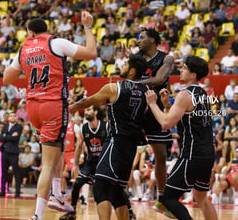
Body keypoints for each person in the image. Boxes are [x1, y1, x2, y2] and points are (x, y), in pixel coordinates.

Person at [3, 11, 97, 220]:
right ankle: (38, 214)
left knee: (57, 147)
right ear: (46, 30)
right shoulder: (56, 43)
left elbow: (6, 78)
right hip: (53, 104)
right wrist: (88, 27)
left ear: (30, 32)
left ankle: (57, 194)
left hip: (32, 107)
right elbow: (91, 53)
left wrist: (26, 67)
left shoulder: (24, 49)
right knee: (48, 161)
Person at [69, 54, 149, 220]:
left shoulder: (114, 88)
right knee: (117, 191)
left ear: (132, 71)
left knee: (101, 187)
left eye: (126, 64)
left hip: (116, 141)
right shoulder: (147, 92)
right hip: (132, 146)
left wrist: (70, 107)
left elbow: (88, 101)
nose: (122, 65)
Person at [145, 55, 217, 220]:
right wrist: (167, 105)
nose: (181, 70)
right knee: (201, 199)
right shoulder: (203, 93)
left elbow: (166, 123)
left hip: (192, 154)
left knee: (167, 198)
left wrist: (152, 104)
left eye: (184, 68)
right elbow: (187, 117)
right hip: (207, 155)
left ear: (193, 75)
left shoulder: (185, 94)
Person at [136, 27, 175, 213]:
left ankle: (162, 199)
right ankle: (119, 193)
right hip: (135, 110)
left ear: (152, 40)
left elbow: (159, 79)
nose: (138, 40)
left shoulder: (167, 58)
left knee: (161, 156)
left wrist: (134, 83)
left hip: (155, 110)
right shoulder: (136, 58)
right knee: (126, 153)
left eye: (141, 37)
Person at [60, 105, 108, 220]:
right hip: (91, 162)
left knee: (107, 189)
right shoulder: (83, 128)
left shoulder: (106, 126)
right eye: (85, 110)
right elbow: (79, 146)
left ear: (95, 112)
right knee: (77, 184)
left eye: (88, 109)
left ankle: (129, 212)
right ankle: (72, 212)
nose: (85, 112)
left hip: (104, 162)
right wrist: (75, 165)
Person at [0, 112, 23, 198]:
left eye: (14, 116)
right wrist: (9, 136)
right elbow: (0, 138)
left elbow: (15, 138)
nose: (12, 117)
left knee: (16, 173)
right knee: (4, 172)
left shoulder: (19, 127)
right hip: (4, 151)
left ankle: (17, 192)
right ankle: (3, 191)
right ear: (8, 118)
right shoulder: (5, 126)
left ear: (16, 118)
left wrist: (6, 136)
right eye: (10, 116)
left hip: (13, 152)